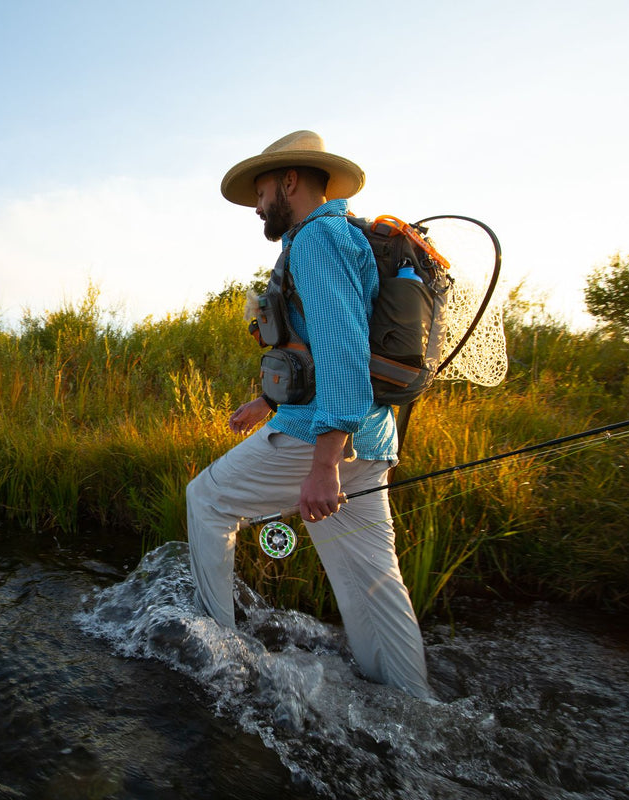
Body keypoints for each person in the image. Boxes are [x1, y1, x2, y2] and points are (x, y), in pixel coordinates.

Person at [186, 130, 431, 699]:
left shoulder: (317, 240)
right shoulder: (337, 236)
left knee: (207, 500)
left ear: (290, 181)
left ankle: (217, 653)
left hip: (319, 440)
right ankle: (415, 707)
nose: (256, 203)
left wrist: (324, 464)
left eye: (261, 188)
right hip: (368, 438)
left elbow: (344, 350)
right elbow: (322, 343)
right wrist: (269, 401)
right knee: (371, 585)